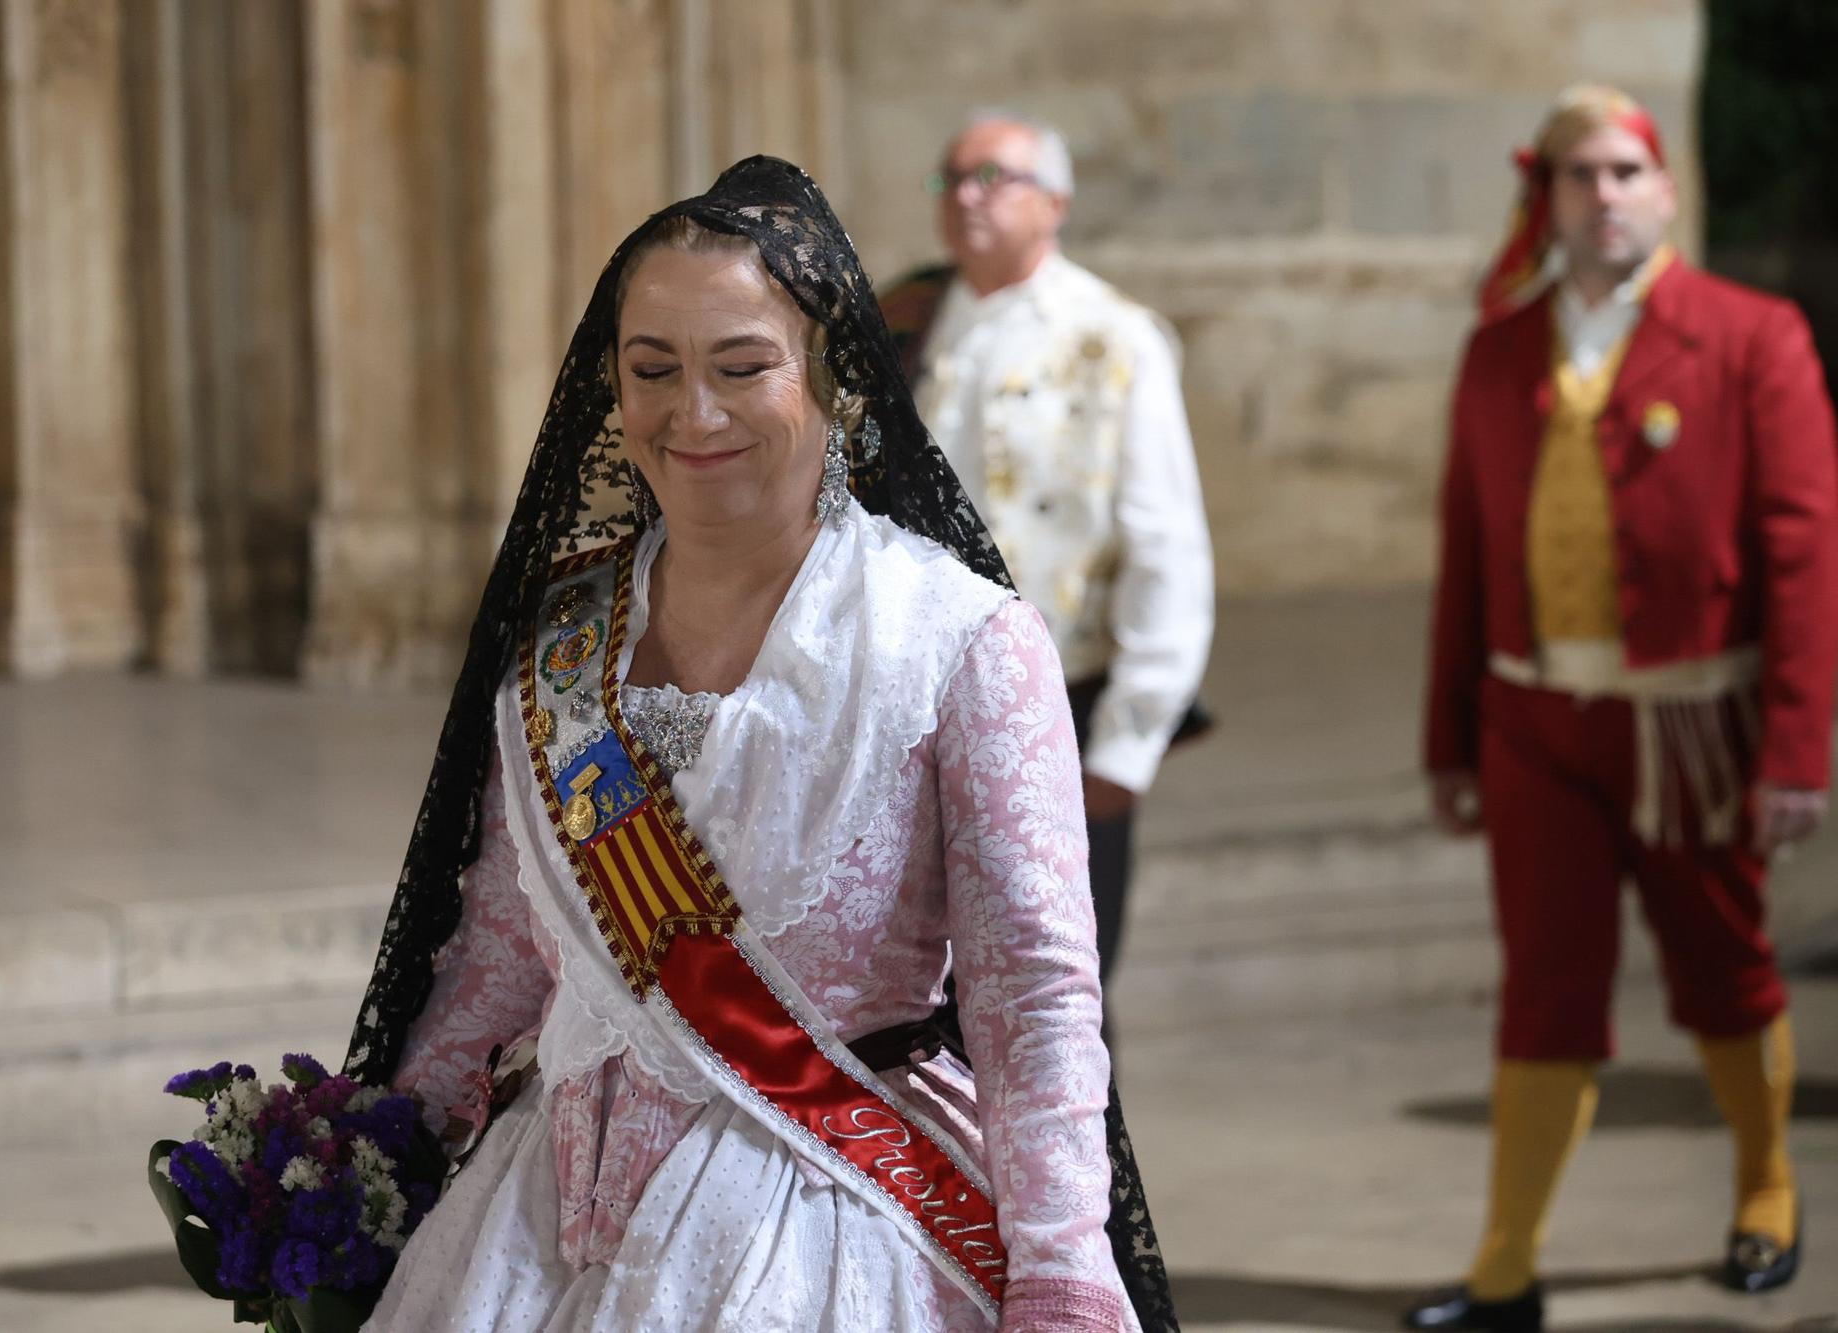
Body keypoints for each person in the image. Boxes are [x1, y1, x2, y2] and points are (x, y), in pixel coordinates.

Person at [344, 157, 1178, 1332]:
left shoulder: (958, 641)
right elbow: (498, 953)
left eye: (742, 367)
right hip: (535, 1220)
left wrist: (1059, 1269)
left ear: (834, 380)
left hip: (829, 1210)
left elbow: (1032, 994)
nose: (693, 413)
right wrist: (366, 1166)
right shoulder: (561, 641)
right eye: (652, 370)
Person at [1406, 86, 1838, 1332]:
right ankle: (1503, 1268)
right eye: (1574, 176)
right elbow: (1465, 551)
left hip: (1689, 717)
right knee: (1544, 986)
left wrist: (1796, 748)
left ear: (1662, 190)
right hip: (1533, 719)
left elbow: (1803, 549)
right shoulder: (1499, 347)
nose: (1599, 196)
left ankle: (1765, 1183)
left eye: (1621, 172)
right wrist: (1448, 738)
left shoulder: (1751, 335)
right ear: (1541, 199)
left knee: (1720, 966)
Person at [879, 113, 1214, 999]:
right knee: (916, 992)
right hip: (911, 702)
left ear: (1055, 203)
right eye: (952, 178)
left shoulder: (1113, 334)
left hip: (1058, 706)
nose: (966, 196)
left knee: (1054, 990)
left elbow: (1164, 542)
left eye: (995, 176)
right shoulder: (903, 317)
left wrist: (1129, 743)